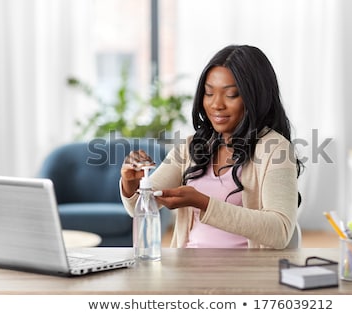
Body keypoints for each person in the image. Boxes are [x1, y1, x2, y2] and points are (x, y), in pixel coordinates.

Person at [120, 44, 303, 249]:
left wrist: (203, 203)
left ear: (255, 97)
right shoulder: (191, 147)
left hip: (245, 276)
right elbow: (140, 207)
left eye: (231, 94)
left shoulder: (275, 149)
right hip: (188, 270)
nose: (217, 104)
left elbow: (280, 231)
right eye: (209, 93)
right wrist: (131, 184)